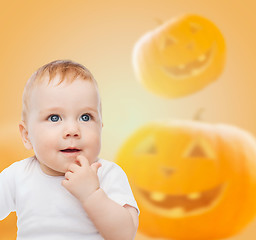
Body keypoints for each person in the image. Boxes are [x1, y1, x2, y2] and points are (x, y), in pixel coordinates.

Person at [0, 60, 139, 240]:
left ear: (100, 128)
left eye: (85, 117)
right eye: (54, 117)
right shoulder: (17, 176)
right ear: (27, 136)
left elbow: (125, 235)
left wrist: (91, 195)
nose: (73, 130)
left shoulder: (106, 174)